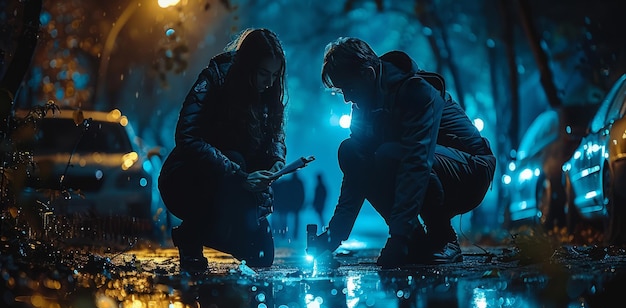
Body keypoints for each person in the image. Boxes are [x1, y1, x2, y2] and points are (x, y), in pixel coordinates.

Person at [314, 37, 496, 268]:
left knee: (390, 154)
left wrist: (398, 237)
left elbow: (416, 162)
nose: (348, 98)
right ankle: (417, 241)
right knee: (351, 151)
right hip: (426, 166)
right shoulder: (361, 108)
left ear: (369, 75)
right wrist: (334, 236)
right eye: (342, 91)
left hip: (471, 171)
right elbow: (356, 175)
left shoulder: (416, 91)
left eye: (349, 88)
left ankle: (443, 238)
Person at [158, 28, 288, 274]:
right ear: (248, 67)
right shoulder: (214, 79)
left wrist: (275, 162)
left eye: (274, 75)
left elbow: (275, 136)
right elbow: (188, 136)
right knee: (234, 158)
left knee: (261, 255)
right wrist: (239, 174)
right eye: (263, 74)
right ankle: (192, 234)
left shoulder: (269, 94)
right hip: (189, 179)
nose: (269, 82)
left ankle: (199, 231)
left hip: (239, 186)